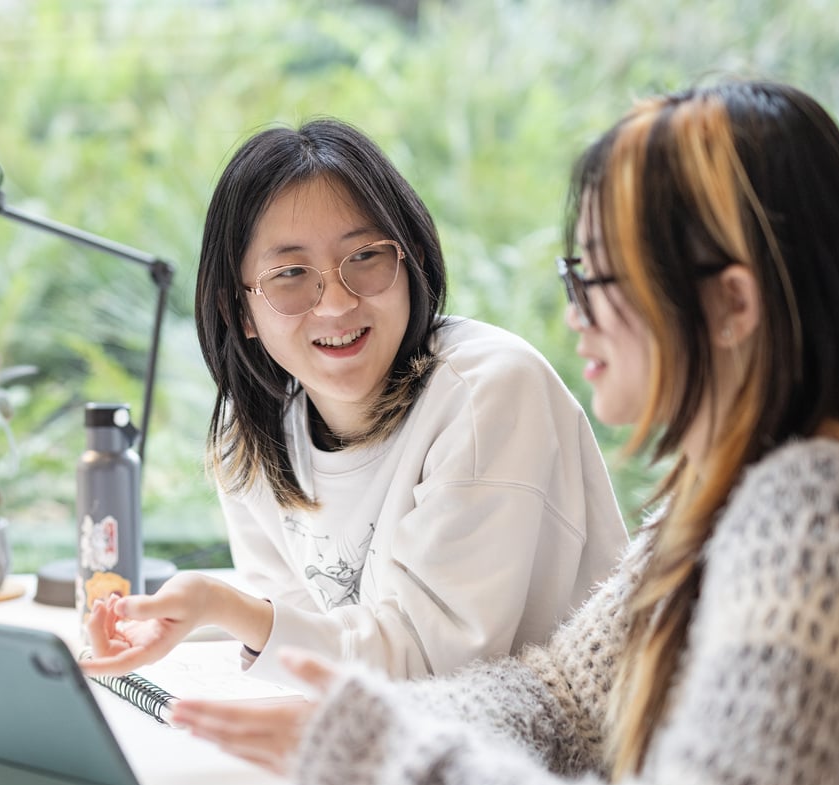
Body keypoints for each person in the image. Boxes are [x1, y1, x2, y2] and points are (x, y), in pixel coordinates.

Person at [167, 81, 839, 785]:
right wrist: (365, 727)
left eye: (601, 281)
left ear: (730, 304)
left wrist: (393, 781)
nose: (574, 313)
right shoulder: (729, 491)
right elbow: (564, 694)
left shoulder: (830, 518)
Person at [84, 118, 627, 683]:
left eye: (365, 256)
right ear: (239, 311)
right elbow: (305, 655)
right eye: (291, 273)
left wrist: (224, 608)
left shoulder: (488, 392)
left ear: (410, 259)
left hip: (564, 756)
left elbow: (435, 669)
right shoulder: (248, 443)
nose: (337, 303)